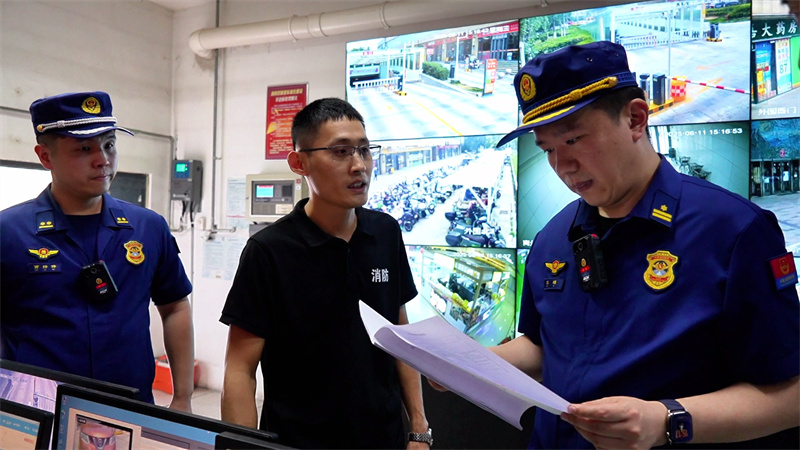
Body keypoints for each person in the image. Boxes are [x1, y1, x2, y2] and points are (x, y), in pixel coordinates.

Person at [475, 41, 798, 448]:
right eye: (548, 150)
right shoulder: (553, 239)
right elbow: (547, 348)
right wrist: (468, 364)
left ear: (635, 119)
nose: (563, 166)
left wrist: (667, 420)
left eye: (573, 140)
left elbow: (790, 394)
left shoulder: (733, 232)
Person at [219, 97, 430, 449]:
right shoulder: (269, 251)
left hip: (384, 439)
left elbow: (399, 337)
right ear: (299, 163)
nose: (359, 165)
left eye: (364, 150)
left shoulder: (386, 233)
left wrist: (419, 429)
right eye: (340, 152)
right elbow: (240, 370)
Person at [0, 92, 195, 411]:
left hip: (129, 409)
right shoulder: (9, 232)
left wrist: (183, 398)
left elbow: (174, 306)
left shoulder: (147, 227)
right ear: (45, 157)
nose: (102, 159)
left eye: (109, 145)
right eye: (84, 149)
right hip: (37, 411)